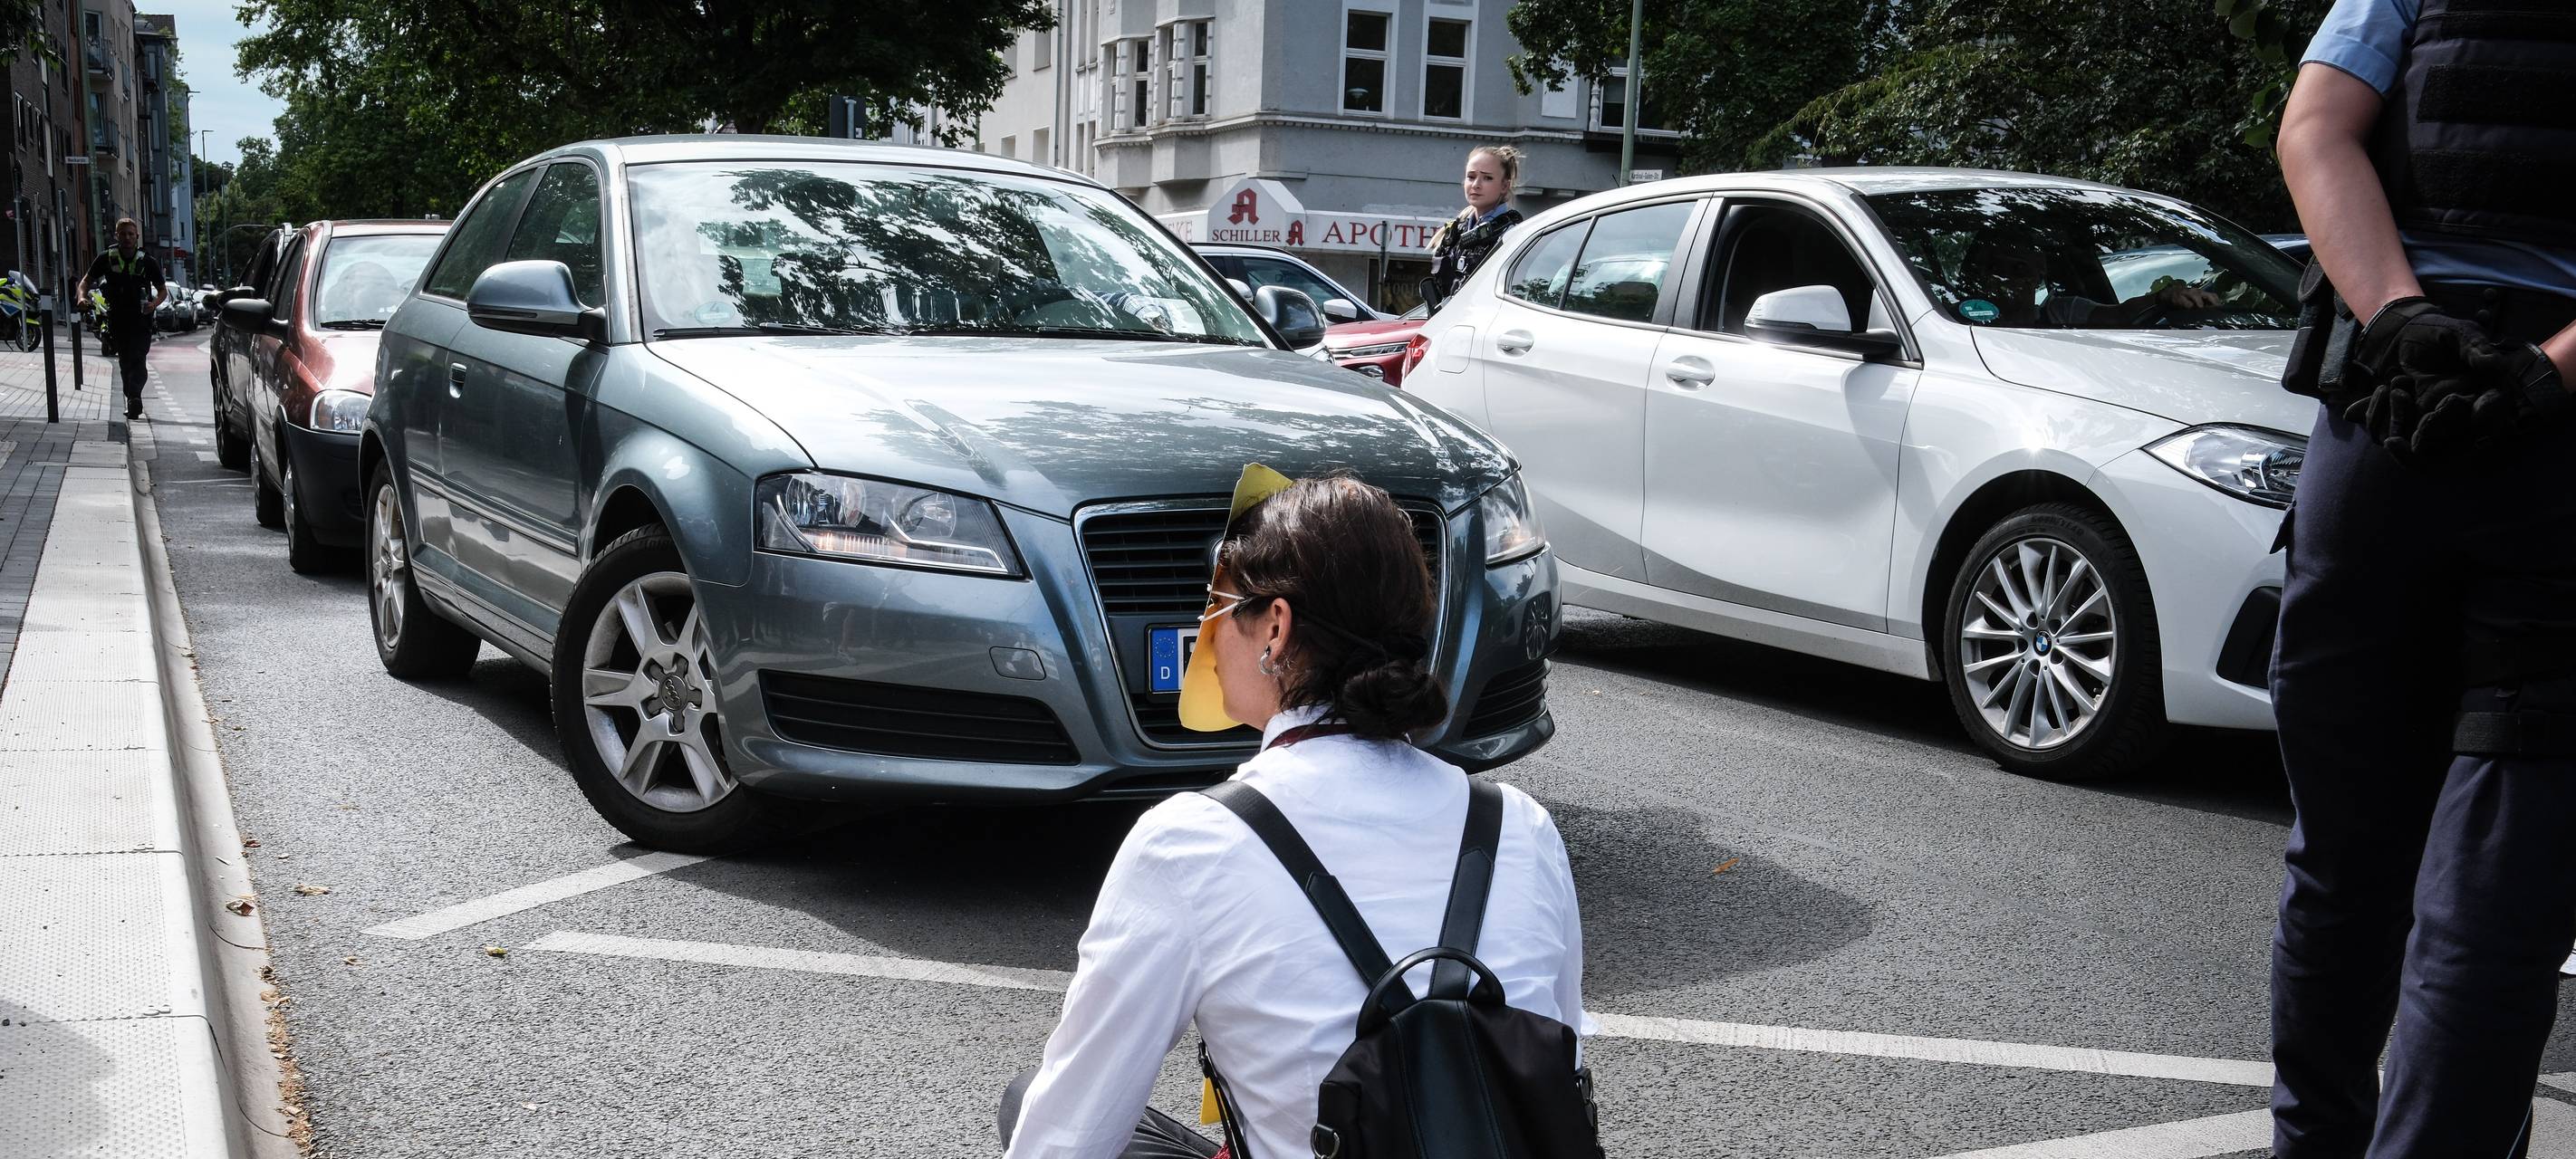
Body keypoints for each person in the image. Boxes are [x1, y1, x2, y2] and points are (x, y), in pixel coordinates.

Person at [999, 470, 1590, 1159]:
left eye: (1216, 606)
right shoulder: (1519, 825)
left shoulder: (1192, 843)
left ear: (1274, 627)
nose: (1205, 632)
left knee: (1031, 1103)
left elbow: (1066, 1137)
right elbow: (1562, 1063)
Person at [2267, 1, 2576, 1155]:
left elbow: (2317, 128)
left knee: (2344, 864)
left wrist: (2399, 320)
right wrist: (2538, 382)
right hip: (2547, 445)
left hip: (2390, 414)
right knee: (2491, 902)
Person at [1956, 235, 2225, 328]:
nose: (2006, 278)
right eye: (1993, 268)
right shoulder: (1959, 321)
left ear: (2039, 274)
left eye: (2019, 269)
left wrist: (2162, 298)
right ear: (1977, 274)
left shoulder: (2059, 312)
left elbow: (2118, 316)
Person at [77, 217, 167, 421]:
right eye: (123, 234)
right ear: (116, 235)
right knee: (125, 361)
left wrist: (154, 304)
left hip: (141, 319)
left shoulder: (147, 261)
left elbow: (162, 291)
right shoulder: (106, 258)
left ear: (137, 237)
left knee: (138, 357)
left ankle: (134, 396)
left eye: (130, 234)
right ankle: (131, 396)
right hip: (117, 318)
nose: (127, 238)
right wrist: (82, 297)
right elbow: (86, 281)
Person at [1419, 145, 1525, 311]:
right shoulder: (1455, 231)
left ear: (1505, 186)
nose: (1476, 184)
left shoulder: (1513, 234)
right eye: (1471, 176)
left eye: (1487, 178)